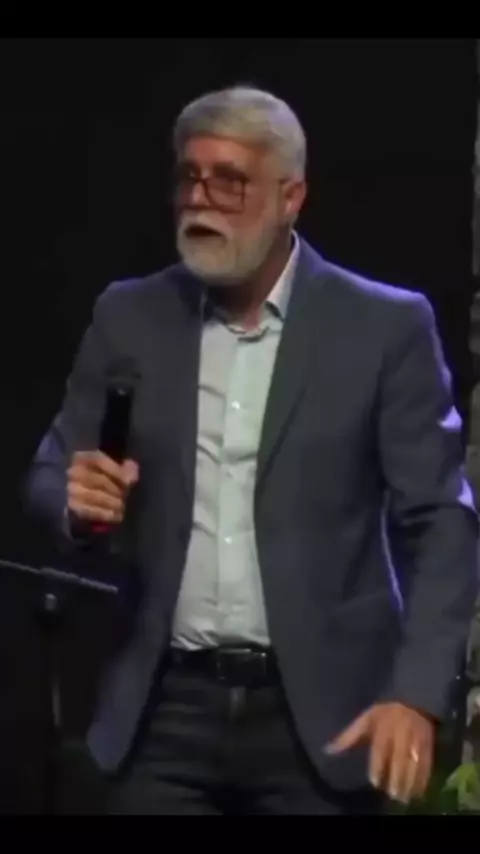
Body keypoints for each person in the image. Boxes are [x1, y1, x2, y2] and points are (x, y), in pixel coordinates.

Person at [23, 85, 479, 815]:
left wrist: (417, 695)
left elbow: (443, 521)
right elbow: (50, 473)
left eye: (229, 180)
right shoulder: (129, 315)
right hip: (163, 713)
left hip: (325, 721)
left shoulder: (383, 328)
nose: (201, 199)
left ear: (290, 197)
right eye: (189, 176)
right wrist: (76, 505)